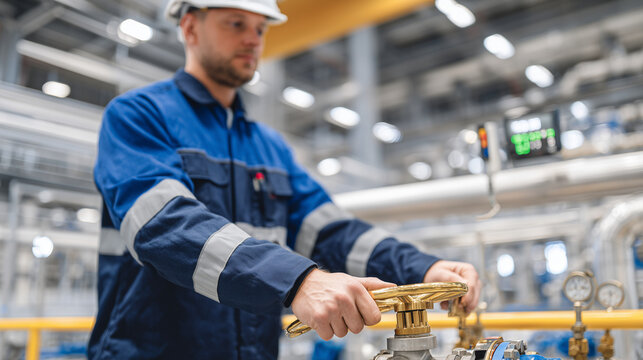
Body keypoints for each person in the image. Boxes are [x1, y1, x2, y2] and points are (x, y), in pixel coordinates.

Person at [88, 0, 481, 359]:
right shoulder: (138, 115)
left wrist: (421, 268)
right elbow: (164, 227)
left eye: (261, 29)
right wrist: (298, 281)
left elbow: (331, 232)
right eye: (236, 23)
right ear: (190, 27)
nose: (252, 39)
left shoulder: (269, 147)